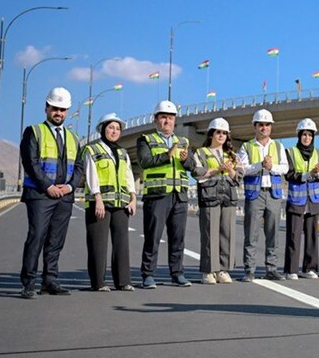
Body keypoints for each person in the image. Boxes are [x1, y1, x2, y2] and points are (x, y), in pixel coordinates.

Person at [19, 87, 85, 299]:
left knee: (56, 240)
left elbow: (79, 166)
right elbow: (30, 162)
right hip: (40, 194)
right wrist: (48, 186)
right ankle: (29, 283)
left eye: (62, 109)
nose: (59, 113)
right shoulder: (34, 131)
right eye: (55, 108)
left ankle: (50, 280)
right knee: (37, 236)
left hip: (64, 196)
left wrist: (70, 187)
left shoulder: (74, 137)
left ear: (67, 112)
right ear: (46, 108)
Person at [137, 100, 201, 289]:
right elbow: (145, 161)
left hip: (179, 196)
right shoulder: (146, 140)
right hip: (157, 195)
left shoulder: (183, 142)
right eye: (163, 117)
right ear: (155, 119)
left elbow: (192, 167)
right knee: (153, 237)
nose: (167, 121)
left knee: (178, 238)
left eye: (171, 118)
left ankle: (177, 273)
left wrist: (186, 159)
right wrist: (167, 154)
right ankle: (148, 275)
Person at [82, 113, 137, 292]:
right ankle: (99, 282)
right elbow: (91, 175)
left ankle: (123, 281)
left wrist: (133, 198)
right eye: (111, 127)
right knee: (98, 243)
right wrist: (97, 198)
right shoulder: (92, 150)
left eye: (117, 128)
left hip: (121, 203)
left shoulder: (123, 152)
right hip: (99, 203)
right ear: (102, 129)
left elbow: (128, 176)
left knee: (121, 243)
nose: (114, 131)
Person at [237, 109, 288, 281]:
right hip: (255, 195)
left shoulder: (278, 146)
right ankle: (249, 270)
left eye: (267, 125)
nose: (264, 128)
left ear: (271, 127)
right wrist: (260, 164)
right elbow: (243, 169)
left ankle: (271, 269)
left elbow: (285, 168)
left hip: (273, 194)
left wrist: (271, 167)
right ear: (255, 127)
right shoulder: (246, 147)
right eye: (261, 125)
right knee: (251, 234)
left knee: (273, 234)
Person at [194, 118, 240, 285]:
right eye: (218, 132)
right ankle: (208, 271)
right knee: (209, 234)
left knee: (227, 234)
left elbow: (239, 176)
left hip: (228, 197)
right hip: (209, 197)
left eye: (224, 133)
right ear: (211, 134)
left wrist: (231, 171)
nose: (221, 135)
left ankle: (223, 270)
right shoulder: (201, 152)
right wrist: (217, 170)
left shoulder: (232, 155)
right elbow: (197, 172)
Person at [284, 118, 319, 279]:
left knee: (312, 235)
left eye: (310, 135)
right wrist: (307, 175)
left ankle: (309, 268)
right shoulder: (290, 152)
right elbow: (289, 174)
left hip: (313, 201)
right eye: (304, 134)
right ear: (299, 135)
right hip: (296, 200)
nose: (307, 138)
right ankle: (291, 270)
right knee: (293, 236)